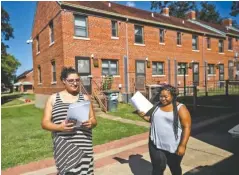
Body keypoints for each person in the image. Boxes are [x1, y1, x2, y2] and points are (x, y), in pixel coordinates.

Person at [41, 67, 97, 175]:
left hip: (84, 148)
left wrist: (91, 123)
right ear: (63, 81)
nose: (75, 83)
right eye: (71, 81)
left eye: (77, 80)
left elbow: (94, 120)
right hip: (64, 149)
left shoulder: (85, 98)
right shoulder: (53, 98)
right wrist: (59, 127)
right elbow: (44, 123)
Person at [138, 84, 191, 175]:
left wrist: (182, 145)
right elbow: (153, 120)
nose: (162, 99)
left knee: (174, 167)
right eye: (161, 96)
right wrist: (143, 116)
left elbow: (187, 127)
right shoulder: (157, 106)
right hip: (155, 144)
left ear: (173, 96)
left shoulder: (180, 108)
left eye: (165, 96)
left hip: (173, 145)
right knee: (157, 168)